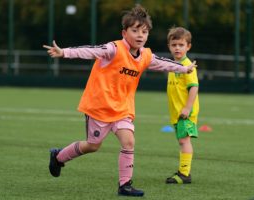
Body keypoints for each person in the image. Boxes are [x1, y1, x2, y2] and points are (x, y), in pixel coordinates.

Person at [43, 5, 196, 197]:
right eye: (135, 31)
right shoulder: (113, 49)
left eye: (145, 31)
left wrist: (184, 68)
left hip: (123, 109)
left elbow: (163, 63)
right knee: (93, 145)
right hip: (100, 107)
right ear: (124, 33)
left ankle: (125, 185)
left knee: (129, 141)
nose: (140, 35)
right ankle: (58, 157)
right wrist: (64, 52)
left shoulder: (145, 55)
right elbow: (90, 51)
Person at [165, 27, 199, 184]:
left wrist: (187, 108)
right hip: (177, 112)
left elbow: (194, 87)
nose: (177, 48)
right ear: (169, 46)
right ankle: (183, 172)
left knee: (184, 141)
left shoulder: (187, 65)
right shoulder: (174, 65)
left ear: (188, 46)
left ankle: (185, 174)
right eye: (174, 45)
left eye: (181, 44)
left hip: (186, 111)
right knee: (182, 140)